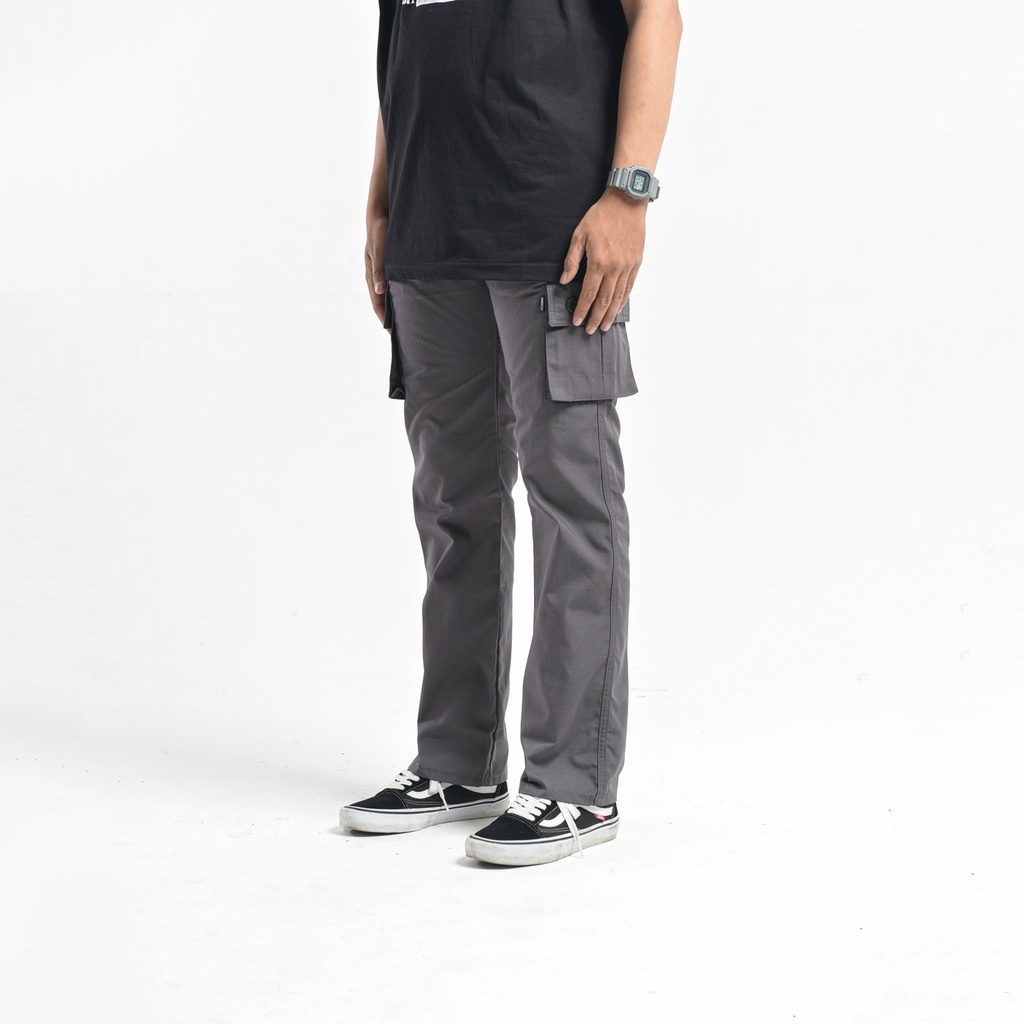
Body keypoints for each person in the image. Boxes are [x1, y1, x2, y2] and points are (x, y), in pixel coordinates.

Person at [341, 0, 683, 867]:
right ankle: (457, 763)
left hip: (554, 230)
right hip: (429, 231)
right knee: (454, 506)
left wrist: (629, 193)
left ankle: (575, 782)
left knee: (574, 505)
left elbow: (658, 13)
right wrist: (382, 204)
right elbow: (402, 52)